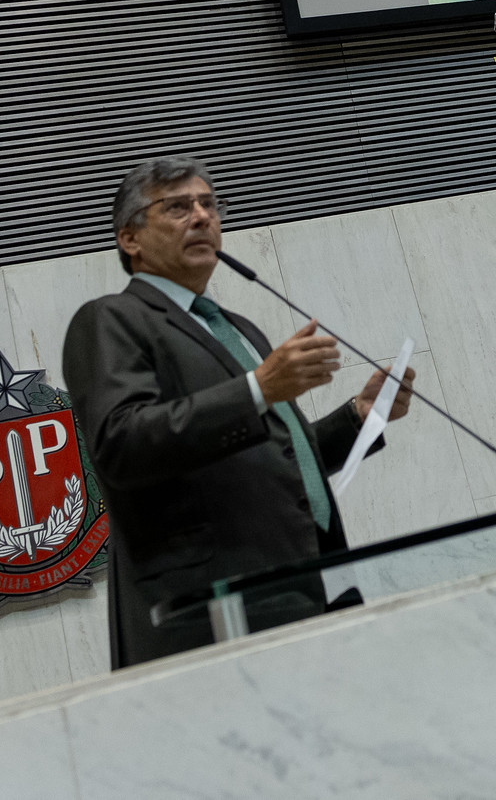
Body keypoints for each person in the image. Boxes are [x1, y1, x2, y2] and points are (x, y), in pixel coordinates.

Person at [63, 155, 415, 666]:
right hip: (214, 615)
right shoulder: (111, 320)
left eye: (209, 204)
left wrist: (360, 416)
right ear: (129, 239)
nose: (203, 217)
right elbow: (121, 442)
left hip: (311, 587)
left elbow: (274, 459)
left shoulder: (239, 328)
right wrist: (257, 388)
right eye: (178, 207)